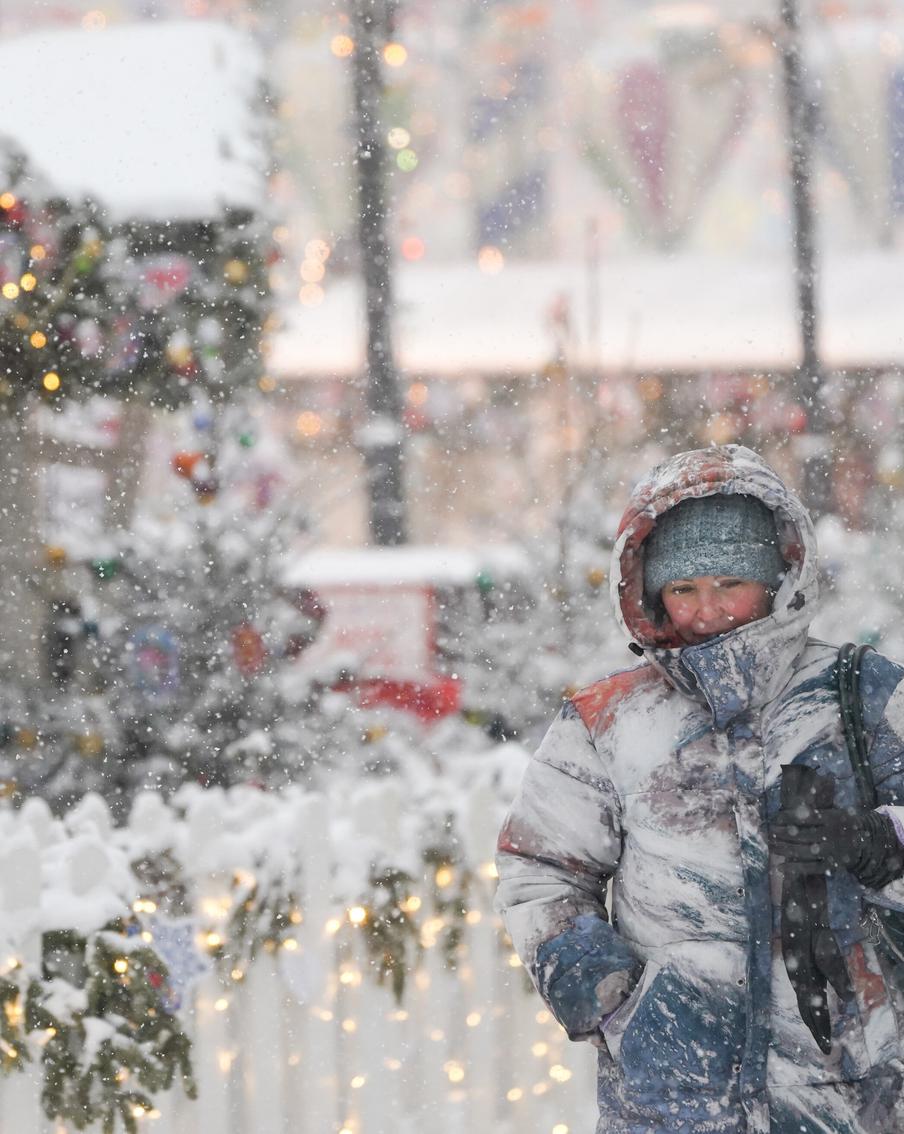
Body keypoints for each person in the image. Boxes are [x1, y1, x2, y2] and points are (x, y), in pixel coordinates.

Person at [495, 444, 904, 1134]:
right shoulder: (607, 723)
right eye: (684, 589)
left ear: (780, 577)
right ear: (650, 592)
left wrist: (880, 844)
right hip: (673, 1095)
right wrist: (616, 1003)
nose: (708, 611)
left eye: (729, 583)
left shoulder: (863, 698)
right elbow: (542, 872)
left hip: (851, 1091)